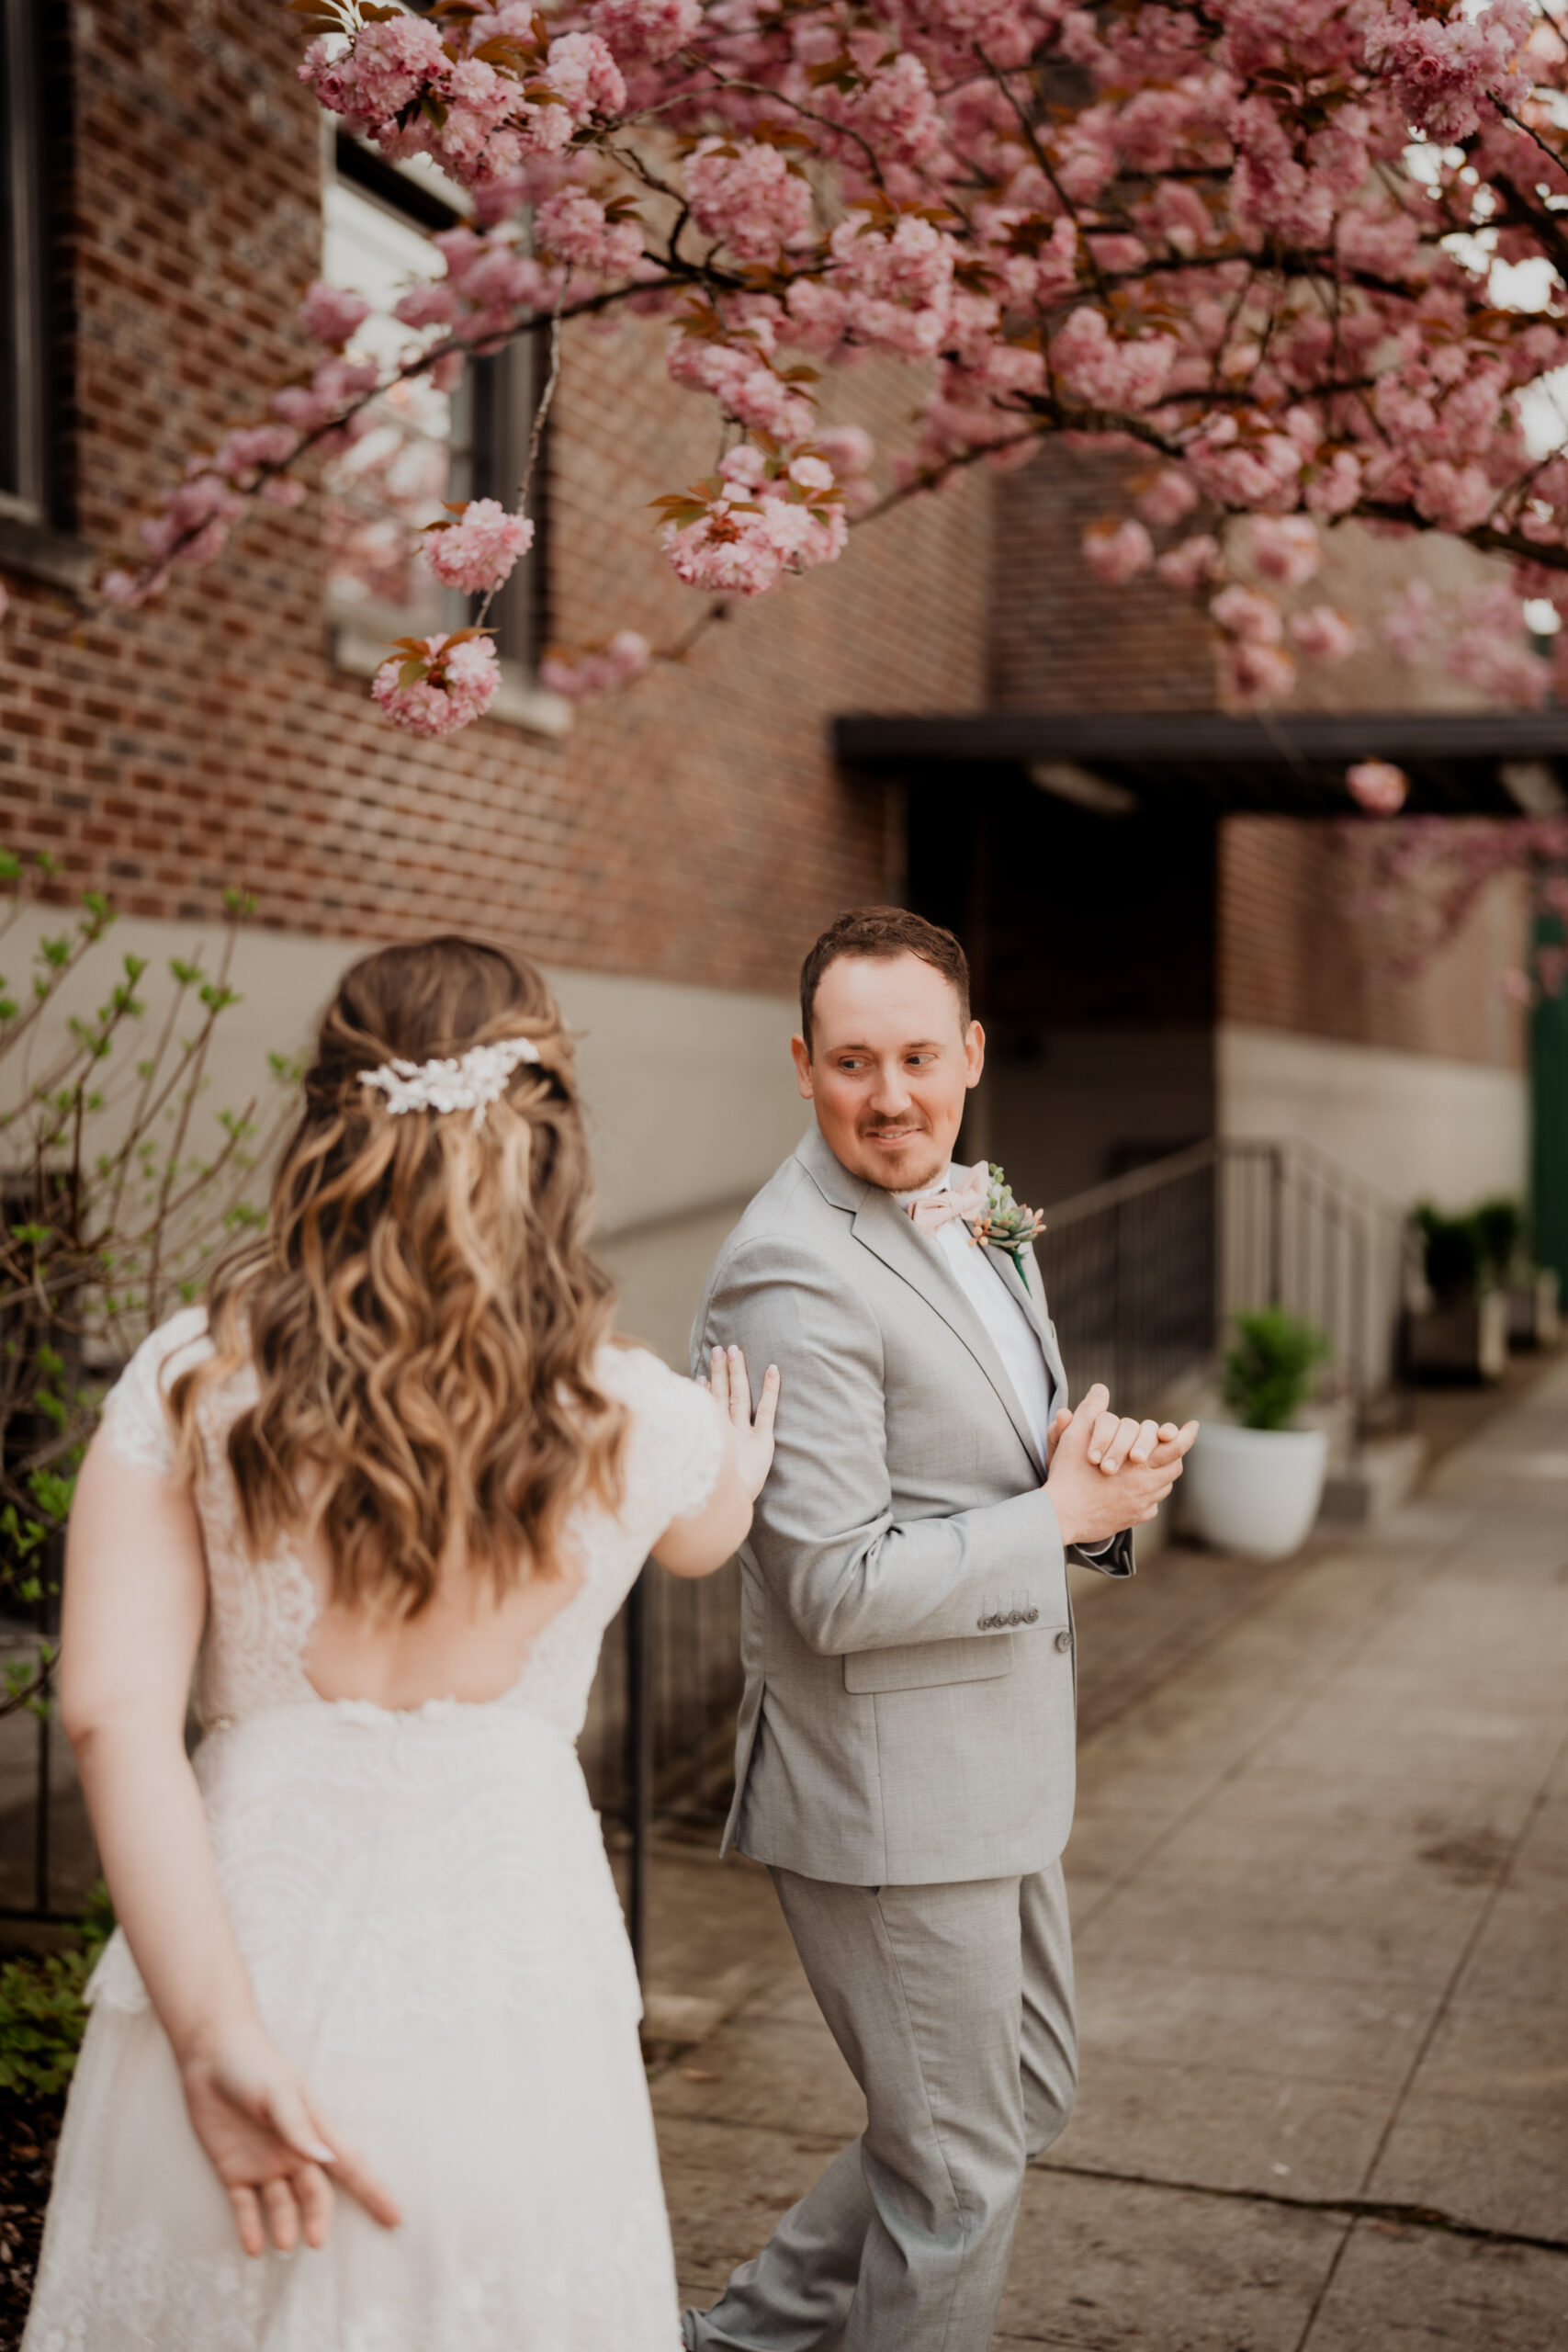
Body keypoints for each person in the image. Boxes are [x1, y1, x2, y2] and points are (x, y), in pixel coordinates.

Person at [24, 935, 780, 2352]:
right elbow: (706, 1535)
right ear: (552, 1137)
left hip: (228, 1956)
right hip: (506, 2001)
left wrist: (212, 2039)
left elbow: (111, 1717)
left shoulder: (190, 1377)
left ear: (325, 1122)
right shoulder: (636, 1415)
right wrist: (733, 1464)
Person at [685, 907, 1199, 2352]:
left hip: (997, 1761)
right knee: (958, 2174)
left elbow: (1008, 1453)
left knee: (1015, 2101)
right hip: (888, 1793)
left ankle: (736, 2344)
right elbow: (833, 1585)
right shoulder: (789, 1272)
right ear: (802, 1065)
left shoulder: (983, 1206)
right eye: (853, 1061)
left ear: (971, 1052)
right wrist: (1054, 1517)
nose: (891, 1095)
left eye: (919, 1057)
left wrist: (1094, 1486)